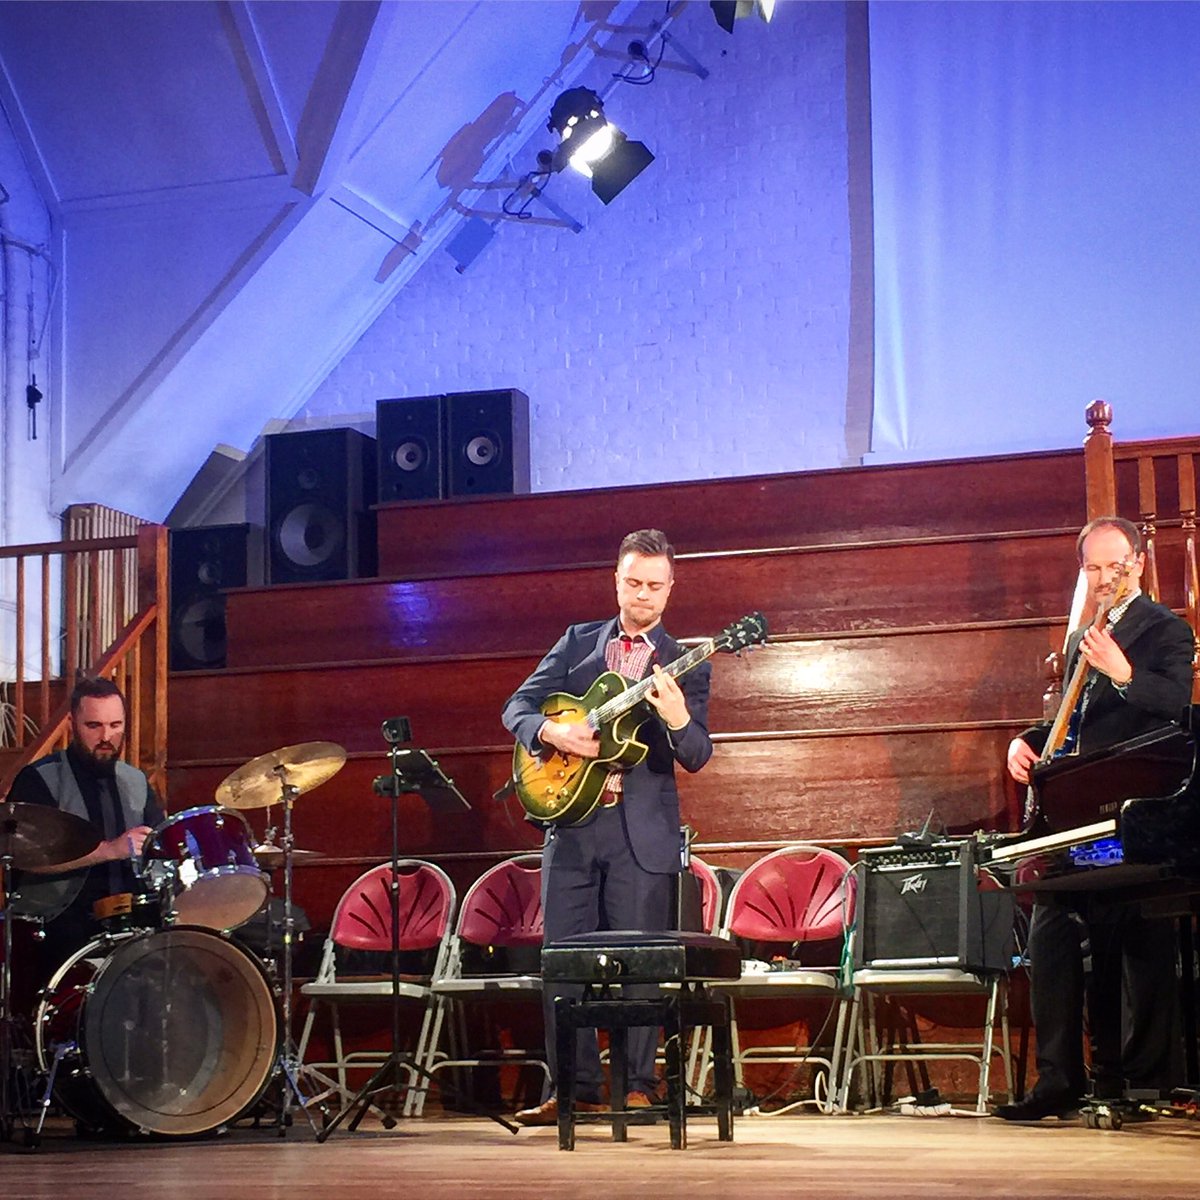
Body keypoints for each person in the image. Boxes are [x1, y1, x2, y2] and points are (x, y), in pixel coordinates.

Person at [502, 528, 713, 1125]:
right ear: (615, 581)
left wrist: (675, 719)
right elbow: (517, 706)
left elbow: (697, 752)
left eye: (655, 585)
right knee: (562, 961)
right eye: (633, 582)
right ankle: (575, 1086)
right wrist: (551, 733)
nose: (643, 595)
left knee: (640, 965)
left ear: (671, 590)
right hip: (571, 824)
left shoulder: (683, 662)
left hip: (640, 831)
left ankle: (638, 1084)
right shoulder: (576, 643)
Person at [994, 516, 1194, 1121]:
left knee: (1137, 925)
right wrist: (1024, 742)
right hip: (1083, 809)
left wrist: (1123, 671)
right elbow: (1073, 723)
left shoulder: (1165, 629)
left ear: (1137, 561)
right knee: (1050, 922)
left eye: (1116, 566)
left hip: (1143, 809)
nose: (1105, 578)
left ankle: (1138, 1080)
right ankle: (1059, 1080)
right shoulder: (1085, 632)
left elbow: (1178, 704)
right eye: (1094, 568)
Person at [9, 677, 164, 987]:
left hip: (131, 919)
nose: (106, 736)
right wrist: (109, 850)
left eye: (115, 725)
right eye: (94, 725)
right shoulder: (40, 779)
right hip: (61, 921)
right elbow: (22, 858)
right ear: (71, 723)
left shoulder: (135, 781)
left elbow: (161, 847)